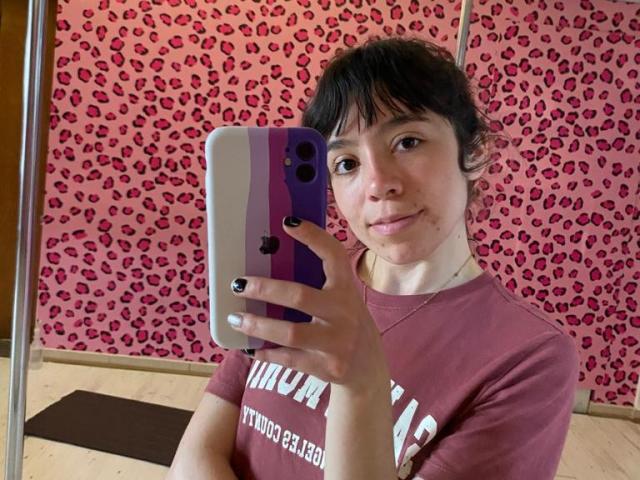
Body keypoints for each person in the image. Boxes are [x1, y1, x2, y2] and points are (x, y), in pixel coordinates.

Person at [167, 36, 579, 480]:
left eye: (407, 141)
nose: (378, 184)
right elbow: (195, 456)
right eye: (346, 163)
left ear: (475, 152)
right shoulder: (306, 285)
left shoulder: (528, 358)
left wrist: (361, 384)